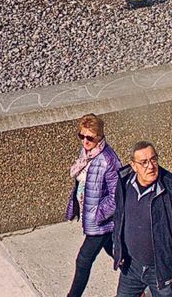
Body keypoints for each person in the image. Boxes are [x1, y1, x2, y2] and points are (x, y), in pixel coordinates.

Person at [111, 141, 172, 296]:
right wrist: (119, 250)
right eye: (143, 162)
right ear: (133, 166)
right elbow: (118, 218)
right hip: (131, 267)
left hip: (162, 271)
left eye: (153, 159)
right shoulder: (124, 183)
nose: (150, 166)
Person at [64, 113, 120, 297]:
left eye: (90, 137)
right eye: (82, 136)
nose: (85, 141)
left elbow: (116, 195)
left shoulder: (108, 160)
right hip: (93, 216)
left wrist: (98, 215)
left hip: (101, 222)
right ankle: (138, 283)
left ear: (100, 136)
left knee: (83, 260)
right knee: (115, 252)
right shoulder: (87, 154)